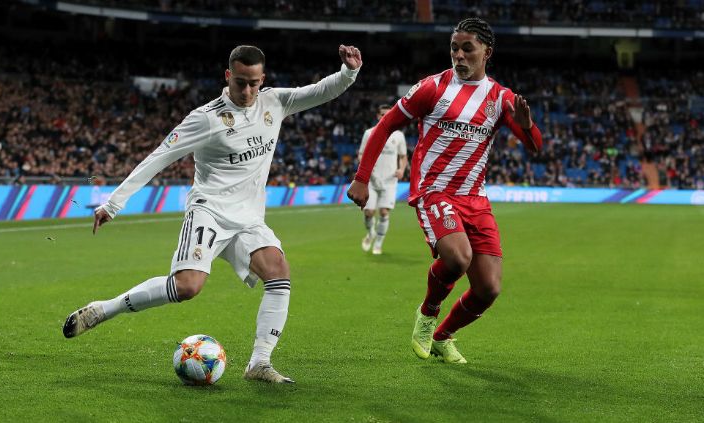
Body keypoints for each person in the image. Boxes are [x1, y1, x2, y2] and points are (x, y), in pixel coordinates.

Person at [63, 44, 363, 383]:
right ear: (227, 76)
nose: (247, 90)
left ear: (262, 80)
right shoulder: (206, 118)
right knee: (187, 287)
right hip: (209, 212)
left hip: (248, 219)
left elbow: (322, 91)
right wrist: (114, 203)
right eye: (240, 82)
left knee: (279, 273)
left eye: (253, 83)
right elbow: (160, 156)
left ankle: (259, 363)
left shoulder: (274, 102)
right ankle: (105, 309)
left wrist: (348, 72)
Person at [347, 18, 542, 364]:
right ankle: (427, 313)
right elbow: (386, 125)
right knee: (457, 257)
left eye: (468, 48)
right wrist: (362, 178)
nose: (459, 55)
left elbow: (535, 147)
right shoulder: (431, 88)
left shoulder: (500, 98)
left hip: (475, 198)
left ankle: (443, 336)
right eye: (455, 48)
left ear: (487, 53)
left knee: (488, 288)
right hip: (434, 190)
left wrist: (527, 127)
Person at [358, 104, 408, 255]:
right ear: (377, 116)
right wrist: (366, 170)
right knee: (368, 213)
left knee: (384, 212)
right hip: (372, 180)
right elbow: (361, 154)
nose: (384, 117)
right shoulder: (369, 133)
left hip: (389, 180)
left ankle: (378, 243)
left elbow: (403, 156)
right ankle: (370, 233)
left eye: (388, 114)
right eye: (382, 114)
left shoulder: (398, 135)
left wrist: (401, 169)